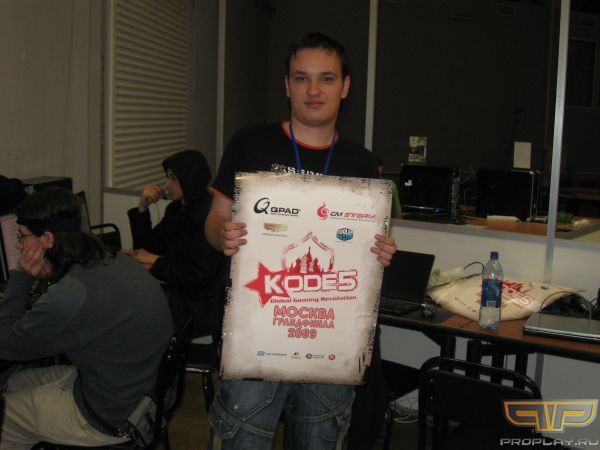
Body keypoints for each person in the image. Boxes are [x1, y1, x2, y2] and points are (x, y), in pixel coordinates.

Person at [204, 32, 397, 450]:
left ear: (345, 87)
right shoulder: (249, 143)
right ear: (286, 85)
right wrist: (222, 235)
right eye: (301, 77)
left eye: (326, 78)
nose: (313, 90)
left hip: (328, 340)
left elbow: (369, 244)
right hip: (256, 336)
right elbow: (214, 220)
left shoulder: (363, 162)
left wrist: (381, 251)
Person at [0, 187, 173, 449]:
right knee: (13, 382)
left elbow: (6, 343)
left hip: (111, 415)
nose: (18, 245)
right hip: (139, 392)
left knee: (4, 416)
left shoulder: (72, 293)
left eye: (22, 236)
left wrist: (20, 277)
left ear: (47, 239)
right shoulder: (111, 259)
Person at [125, 149, 226, 337]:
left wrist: (154, 261)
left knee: (134, 317)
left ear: (189, 179)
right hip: (178, 292)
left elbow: (196, 276)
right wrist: (142, 207)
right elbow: (147, 248)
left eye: (173, 178)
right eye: (167, 178)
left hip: (199, 305)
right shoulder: (176, 209)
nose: (167, 184)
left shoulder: (208, 215)